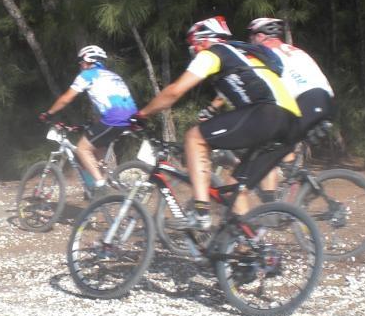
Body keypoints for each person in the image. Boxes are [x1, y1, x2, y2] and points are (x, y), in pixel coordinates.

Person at [132, 16, 300, 230]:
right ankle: (245, 244)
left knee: (194, 138)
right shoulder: (243, 54)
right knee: (235, 189)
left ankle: (200, 213)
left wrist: (142, 114)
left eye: (193, 45)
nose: (193, 50)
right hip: (291, 122)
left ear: (204, 40)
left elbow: (174, 92)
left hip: (266, 114)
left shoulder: (213, 52)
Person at [246, 17, 335, 197]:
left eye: (251, 36)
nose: (250, 40)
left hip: (307, 101)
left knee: (268, 148)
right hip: (324, 101)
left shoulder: (263, 54)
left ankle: (273, 206)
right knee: (280, 146)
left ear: (260, 36)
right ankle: (292, 193)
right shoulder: (295, 51)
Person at [39, 45, 137, 194]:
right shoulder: (114, 76)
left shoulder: (88, 75)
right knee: (97, 151)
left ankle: (101, 186)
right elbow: (106, 103)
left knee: (82, 149)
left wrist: (48, 114)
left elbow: (66, 99)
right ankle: (105, 189)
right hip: (132, 118)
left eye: (81, 61)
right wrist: (90, 125)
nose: (80, 65)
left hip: (114, 118)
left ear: (88, 60)